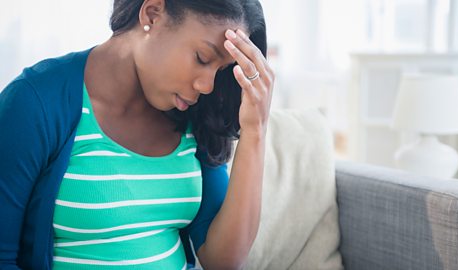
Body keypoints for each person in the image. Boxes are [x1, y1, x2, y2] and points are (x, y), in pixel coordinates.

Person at [0, 0, 274, 269]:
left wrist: (255, 129)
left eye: (221, 69)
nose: (207, 85)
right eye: (202, 58)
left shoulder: (196, 115)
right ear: (152, 14)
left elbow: (223, 261)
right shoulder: (34, 102)